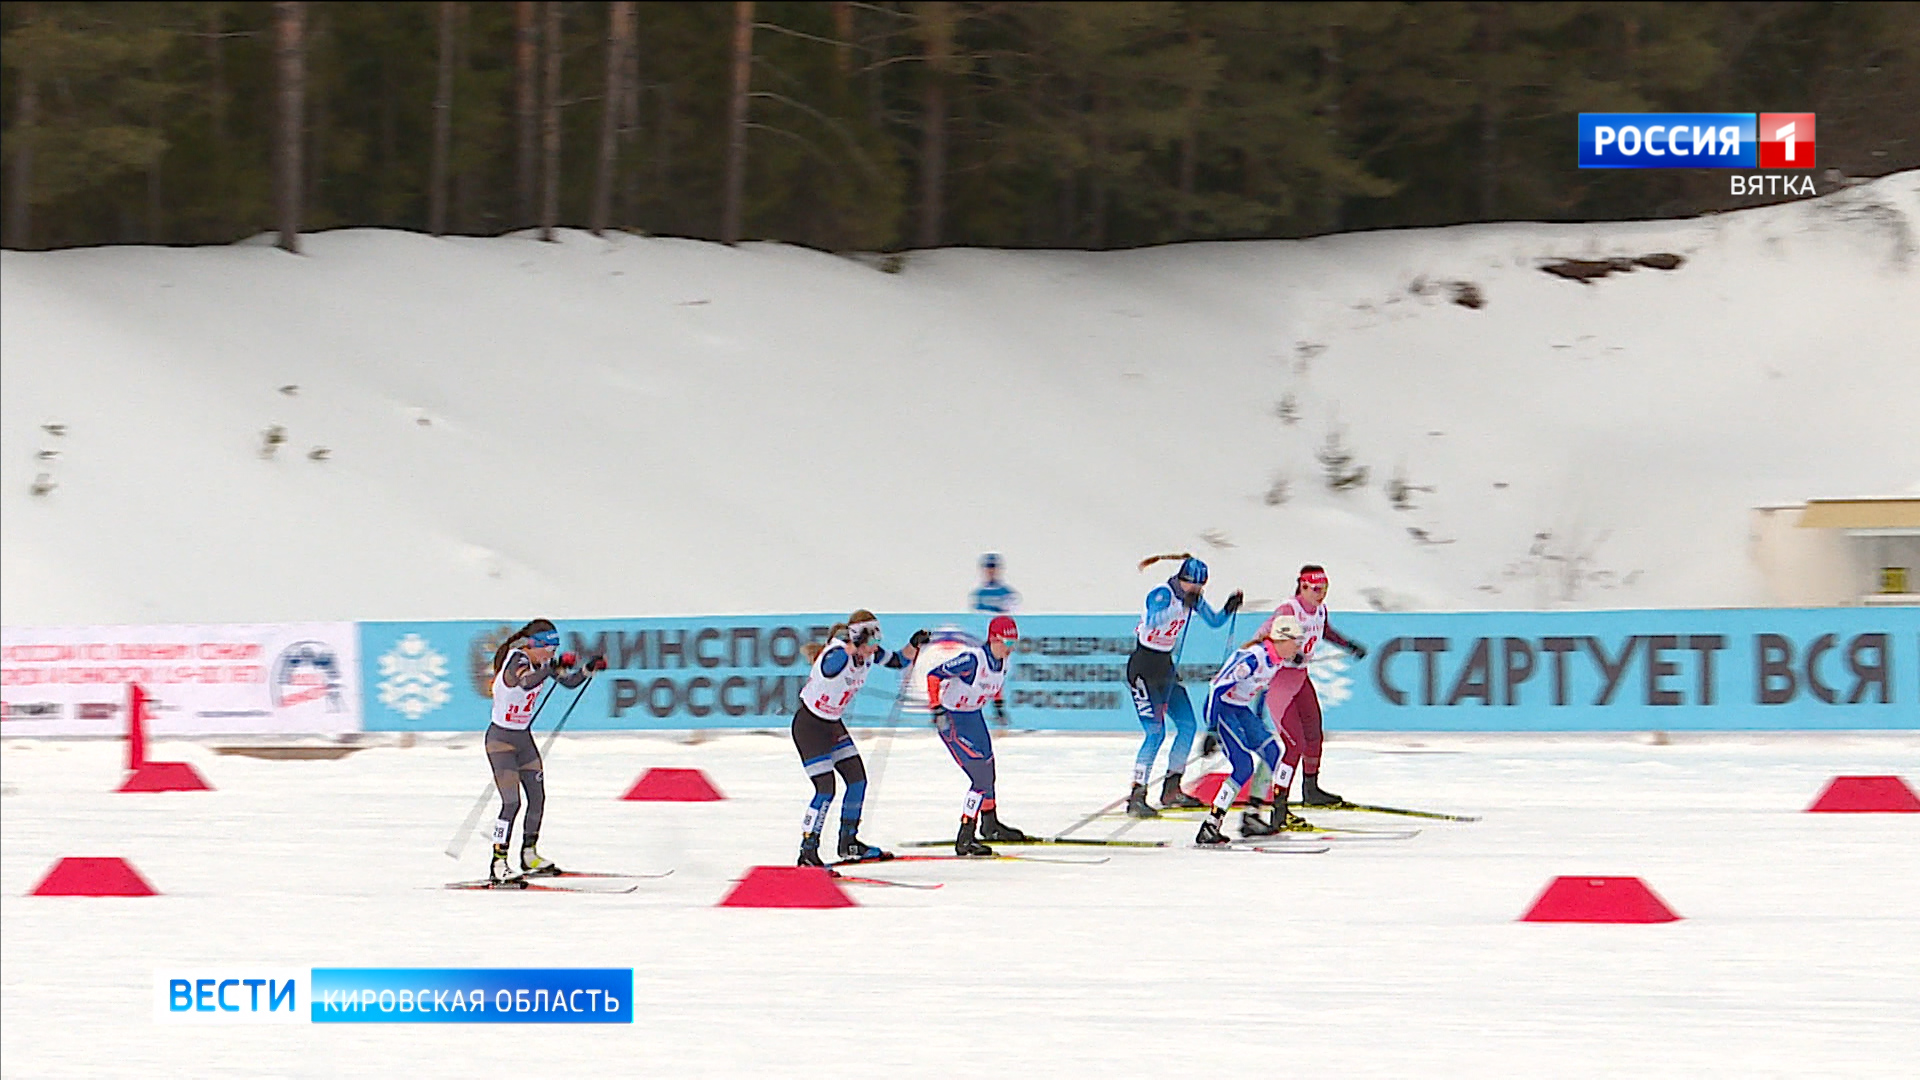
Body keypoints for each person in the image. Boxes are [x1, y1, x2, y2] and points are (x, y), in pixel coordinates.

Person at [792, 610, 930, 867]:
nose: (875, 649)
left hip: (832, 726)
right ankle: (807, 851)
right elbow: (828, 665)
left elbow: (899, 661)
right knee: (825, 789)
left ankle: (849, 842)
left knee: (857, 780)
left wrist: (914, 643)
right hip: (810, 727)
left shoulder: (867, 652)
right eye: (871, 644)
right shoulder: (837, 653)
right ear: (858, 640)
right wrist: (851, 645)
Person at [485, 620, 606, 882]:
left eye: (555, 649)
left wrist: (588, 669)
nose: (552, 653)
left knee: (537, 798)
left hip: (523, 740)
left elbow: (571, 682)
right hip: (500, 741)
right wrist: (553, 666)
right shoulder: (515, 660)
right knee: (511, 802)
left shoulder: (542, 664)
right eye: (550, 648)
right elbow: (525, 683)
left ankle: (529, 854)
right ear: (537, 645)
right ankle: (498, 863)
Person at [1123, 553, 1243, 818]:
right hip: (1144, 665)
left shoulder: (1193, 597)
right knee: (1155, 732)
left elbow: (1214, 622)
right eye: (1194, 585)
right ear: (1182, 579)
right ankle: (1137, 794)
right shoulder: (1162, 594)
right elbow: (1152, 621)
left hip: (1165, 666)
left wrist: (1229, 607)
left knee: (1188, 725)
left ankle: (1171, 789)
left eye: (1201, 586)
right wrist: (1178, 607)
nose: (1197, 591)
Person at [1249, 564, 1369, 824]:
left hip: (1300, 678)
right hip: (1280, 681)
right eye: (1315, 589)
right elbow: (1261, 638)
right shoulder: (1288, 610)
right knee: (1294, 744)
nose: (1321, 594)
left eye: (1324, 589)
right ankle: (1278, 807)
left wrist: (1348, 645)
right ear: (1302, 587)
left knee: (1314, 733)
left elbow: (1324, 629)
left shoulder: (1319, 609)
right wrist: (1288, 653)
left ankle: (1310, 789)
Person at [926, 615, 1030, 856]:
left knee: (989, 769)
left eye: (1015, 643)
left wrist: (999, 706)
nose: (1010, 648)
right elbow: (934, 675)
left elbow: (995, 682)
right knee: (980, 777)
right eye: (1008, 643)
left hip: (974, 717)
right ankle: (965, 835)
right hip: (953, 720)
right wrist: (936, 708)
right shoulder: (972, 659)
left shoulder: (1002, 660)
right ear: (994, 639)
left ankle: (990, 823)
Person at [1196, 615, 1305, 844]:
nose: (1299, 646)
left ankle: (1252, 816)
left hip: (1240, 709)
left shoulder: (1275, 659)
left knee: (1272, 752)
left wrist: (1257, 721)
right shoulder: (1253, 658)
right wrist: (1211, 730)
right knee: (1243, 766)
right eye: (1296, 641)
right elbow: (1216, 688)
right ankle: (1211, 824)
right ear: (1282, 639)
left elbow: (1261, 690)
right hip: (1223, 709)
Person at [970, 554, 1020, 727]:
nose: (990, 571)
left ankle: (999, 710)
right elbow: (975, 615)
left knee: (998, 672)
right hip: (986, 639)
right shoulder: (979, 593)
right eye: (988, 568)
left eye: (993, 568)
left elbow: (1011, 612)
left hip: (1000, 639)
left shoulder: (1006, 592)